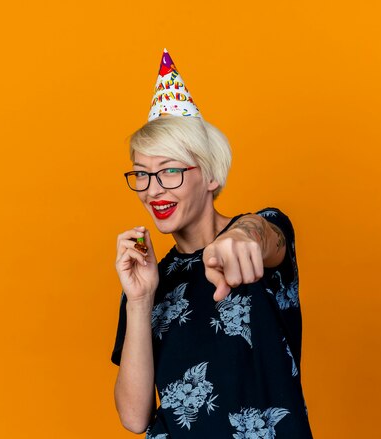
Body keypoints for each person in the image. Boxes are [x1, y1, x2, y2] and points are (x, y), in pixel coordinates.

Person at [111, 49, 313, 438]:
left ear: (211, 176)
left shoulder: (263, 233)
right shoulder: (151, 276)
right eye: (141, 174)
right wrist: (138, 300)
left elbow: (264, 233)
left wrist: (238, 236)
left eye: (170, 170)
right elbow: (134, 418)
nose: (154, 190)